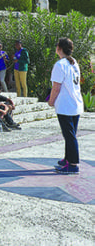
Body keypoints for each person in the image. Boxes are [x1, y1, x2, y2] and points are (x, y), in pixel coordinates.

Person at [48, 38, 83, 174]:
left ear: (59, 48)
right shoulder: (73, 62)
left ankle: (73, 164)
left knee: (69, 136)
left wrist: (51, 101)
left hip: (65, 105)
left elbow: (56, 87)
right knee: (70, 134)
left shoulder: (60, 64)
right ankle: (68, 158)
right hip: (75, 103)